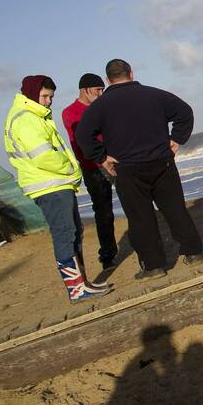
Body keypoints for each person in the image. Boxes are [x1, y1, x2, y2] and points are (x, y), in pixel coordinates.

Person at [75, 59, 203, 280]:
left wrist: (102, 157)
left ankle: (154, 267)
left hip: (128, 169)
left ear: (107, 80)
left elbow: (82, 135)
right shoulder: (155, 95)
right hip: (161, 162)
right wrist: (177, 139)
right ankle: (193, 252)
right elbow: (185, 113)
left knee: (141, 218)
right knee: (174, 208)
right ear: (131, 73)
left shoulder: (100, 106)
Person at [3, 75, 110, 301]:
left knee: (73, 232)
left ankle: (82, 283)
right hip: (49, 184)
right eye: (44, 96)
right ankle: (76, 289)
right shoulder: (26, 119)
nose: (48, 101)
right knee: (65, 233)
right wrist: (71, 169)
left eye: (51, 96)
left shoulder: (35, 116)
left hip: (55, 183)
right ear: (32, 94)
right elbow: (43, 157)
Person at [61, 73, 117, 269]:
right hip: (93, 167)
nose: (101, 94)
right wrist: (100, 161)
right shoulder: (70, 112)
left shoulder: (104, 105)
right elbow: (79, 145)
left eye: (102, 90)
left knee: (133, 201)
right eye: (97, 90)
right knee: (104, 212)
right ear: (85, 90)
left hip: (116, 160)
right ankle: (108, 255)